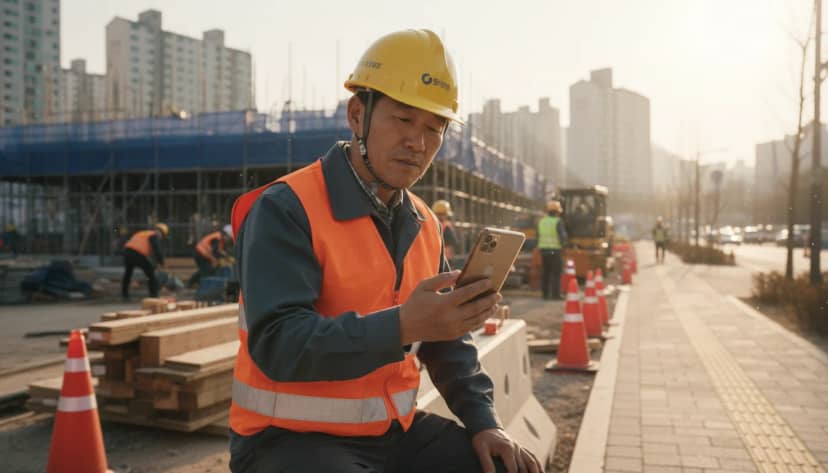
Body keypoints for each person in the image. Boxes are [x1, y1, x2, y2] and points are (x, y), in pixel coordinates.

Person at [229, 29, 543, 473]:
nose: (418, 142)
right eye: (403, 119)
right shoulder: (286, 208)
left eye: (434, 129)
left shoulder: (424, 222)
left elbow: (447, 341)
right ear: (358, 115)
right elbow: (278, 343)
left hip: (391, 435)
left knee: (505, 468)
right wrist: (401, 325)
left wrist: (484, 422)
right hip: (286, 441)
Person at [121, 222, 168, 301]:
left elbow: (147, 249)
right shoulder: (154, 235)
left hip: (127, 252)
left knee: (128, 273)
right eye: (162, 236)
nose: (161, 238)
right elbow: (157, 249)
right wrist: (161, 262)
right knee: (150, 273)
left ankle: (124, 295)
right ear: (160, 232)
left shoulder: (143, 233)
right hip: (138, 253)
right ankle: (154, 296)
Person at [537, 201, 567, 300]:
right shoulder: (558, 221)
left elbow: (538, 236)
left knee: (546, 273)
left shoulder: (542, 221)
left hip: (544, 251)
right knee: (556, 274)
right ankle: (555, 295)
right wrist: (564, 246)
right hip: (555, 251)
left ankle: (544, 294)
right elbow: (562, 236)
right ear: (557, 212)